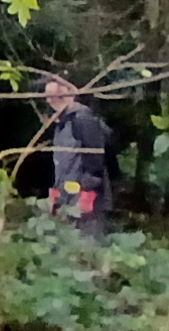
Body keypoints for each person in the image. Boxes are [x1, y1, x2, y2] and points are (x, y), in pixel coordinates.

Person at [43, 75, 115, 241]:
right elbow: (63, 162)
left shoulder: (83, 119)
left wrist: (88, 193)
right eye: (49, 96)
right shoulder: (62, 123)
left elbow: (95, 158)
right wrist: (55, 191)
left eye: (57, 95)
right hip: (67, 198)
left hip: (87, 200)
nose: (52, 100)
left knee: (88, 249)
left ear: (70, 94)